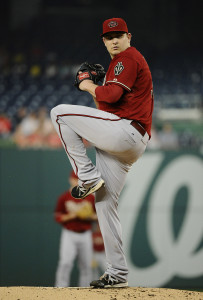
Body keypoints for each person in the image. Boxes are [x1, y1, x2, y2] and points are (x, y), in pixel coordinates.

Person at [51, 17, 154, 288]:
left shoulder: (128, 58)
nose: (115, 40)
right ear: (104, 41)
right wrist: (96, 90)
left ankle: (86, 175)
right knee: (105, 204)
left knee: (58, 113)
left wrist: (86, 84)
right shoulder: (116, 67)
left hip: (126, 132)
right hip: (126, 140)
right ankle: (118, 274)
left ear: (129, 36)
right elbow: (106, 109)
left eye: (119, 35)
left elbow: (111, 96)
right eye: (110, 37)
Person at [54, 171, 97, 287]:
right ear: (70, 180)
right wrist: (71, 215)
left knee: (87, 265)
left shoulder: (90, 197)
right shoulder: (64, 197)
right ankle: (60, 289)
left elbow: (98, 216)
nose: (77, 182)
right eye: (75, 179)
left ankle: (85, 292)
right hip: (69, 233)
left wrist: (88, 216)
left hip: (85, 233)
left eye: (80, 180)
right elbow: (57, 216)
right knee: (65, 263)